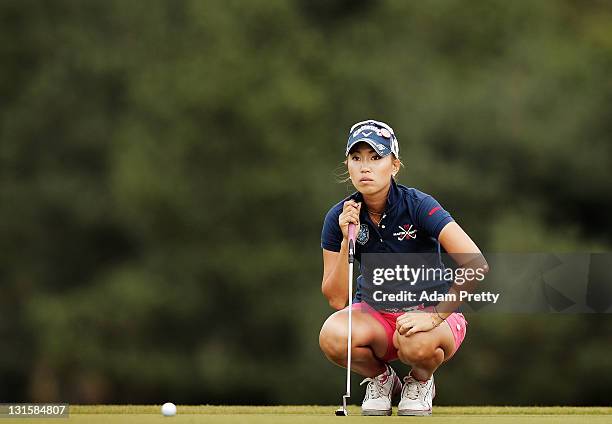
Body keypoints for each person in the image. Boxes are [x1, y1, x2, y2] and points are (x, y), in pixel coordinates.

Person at [319, 119, 488, 416]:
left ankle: (421, 381)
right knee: (332, 335)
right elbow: (336, 299)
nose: (364, 167)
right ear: (347, 165)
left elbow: (476, 263)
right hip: (376, 317)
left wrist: (435, 317)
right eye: (356, 158)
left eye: (375, 157)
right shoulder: (340, 216)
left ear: (394, 165)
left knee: (416, 343)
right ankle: (383, 381)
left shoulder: (418, 205)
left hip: (431, 316)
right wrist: (348, 240)